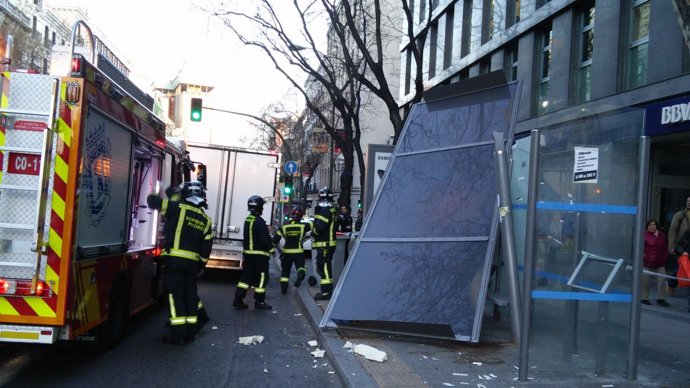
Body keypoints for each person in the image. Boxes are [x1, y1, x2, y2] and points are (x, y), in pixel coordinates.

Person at [147, 181, 213, 345]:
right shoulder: (206, 220)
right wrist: (201, 266)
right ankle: (191, 332)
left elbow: (152, 202)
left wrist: (159, 191)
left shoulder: (177, 209)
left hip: (174, 262)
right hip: (192, 266)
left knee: (174, 296)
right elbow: (206, 248)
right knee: (190, 296)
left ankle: (178, 334)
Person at [233, 195, 275, 310]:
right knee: (262, 277)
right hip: (260, 256)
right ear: (259, 207)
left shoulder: (248, 220)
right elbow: (264, 238)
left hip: (248, 255)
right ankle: (259, 302)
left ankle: (238, 299)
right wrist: (272, 250)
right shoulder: (259, 222)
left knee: (246, 278)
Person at [272, 206, 310, 294]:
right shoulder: (304, 226)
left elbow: (274, 240)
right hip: (298, 252)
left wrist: (276, 250)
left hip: (287, 252)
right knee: (301, 267)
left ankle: (283, 289)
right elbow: (315, 225)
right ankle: (300, 275)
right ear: (301, 216)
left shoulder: (284, 227)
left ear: (292, 215)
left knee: (285, 272)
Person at [311, 187, 338, 301]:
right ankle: (326, 290)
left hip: (324, 245)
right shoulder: (332, 210)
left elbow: (320, 227)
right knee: (323, 267)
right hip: (327, 244)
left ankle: (326, 292)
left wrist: (313, 233)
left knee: (324, 268)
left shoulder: (326, 210)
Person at [641, 219, 669, 306]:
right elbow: (641, 249)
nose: (652, 227)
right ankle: (644, 298)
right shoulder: (644, 235)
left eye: (654, 225)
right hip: (647, 262)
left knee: (662, 279)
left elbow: (664, 247)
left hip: (660, 262)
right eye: (650, 225)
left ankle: (661, 298)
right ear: (647, 227)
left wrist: (665, 257)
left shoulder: (661, 234)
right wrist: (646, 258)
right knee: (645, 281)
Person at [667, 197, 690, 295]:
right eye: (688, 201)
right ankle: (671, 284)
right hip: (681, 246)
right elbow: (672, 230)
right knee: (681, 266)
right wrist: (671, 246)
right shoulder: (679, 215)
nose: (689, 203)